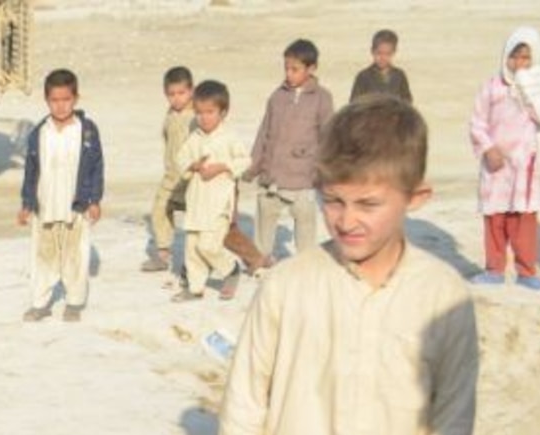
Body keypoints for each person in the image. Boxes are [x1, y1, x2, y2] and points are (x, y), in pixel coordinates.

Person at [215, 97, 479, 435]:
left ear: (416, 197)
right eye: (333, 200)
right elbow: (245, 403)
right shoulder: (287, 286)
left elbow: (453, 421)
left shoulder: (444, 299)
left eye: (368, 204)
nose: (346, 220)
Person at [467, 26, 540, 288]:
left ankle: (527, 271)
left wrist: (528, 88)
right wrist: (488, 149)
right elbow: (477, 122)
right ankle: (494, 269)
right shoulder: (492, 87)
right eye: (514, 57)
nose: (519, 63)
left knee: (523, 220)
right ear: (505, 56)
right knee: (495, 218)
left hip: (524, 164)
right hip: (496, 164)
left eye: (525, 58)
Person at [18, 67, 105, 323]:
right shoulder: (39, 133)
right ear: (47, 100)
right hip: (45, 207)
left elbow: (97, 166)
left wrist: (95, 200)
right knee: (43, 257)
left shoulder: (86, 131)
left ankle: (74, 303)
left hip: (74, 208)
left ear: (75, 98)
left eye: (66, 99)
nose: (60, 106)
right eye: (55, 100)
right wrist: (26, 203)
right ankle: (40, 303)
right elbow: (31, 170)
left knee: (75, 256)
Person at [246, 38, 333, 264]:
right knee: (265, 219)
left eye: (295, 69)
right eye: (286, 68)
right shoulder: (277, 96)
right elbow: (263, 133)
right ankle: (260, 259)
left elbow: (328, 137)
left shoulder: (322, 99)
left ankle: (306, 263)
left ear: (311, 68)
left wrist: (327, 172)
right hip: (272, 175)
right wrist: (253, 166)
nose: (289, 74)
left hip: (304, 177)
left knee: (305, 225)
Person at [172, 79, 251, 303]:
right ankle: (195, 289)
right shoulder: (195, 137)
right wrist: (193, 166)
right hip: (197, 201)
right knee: (193, 247)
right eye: (199, 112)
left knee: (209, 245)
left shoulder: (229, 137)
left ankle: (230, 269)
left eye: (210, 112)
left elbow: (245, 160)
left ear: (223, 112)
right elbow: (181, 159)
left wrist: (223, 167)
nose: (204, 117)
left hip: (218, 203)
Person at [143, 65, 196, 275]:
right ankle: (163, 254)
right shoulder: (170, 113)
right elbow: (167, 138)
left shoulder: (196, 115)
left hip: (191, 177)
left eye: (181, 93)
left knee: (194, 221)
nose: (176, 98)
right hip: (171, 175)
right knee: (159, 210)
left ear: (191, 91)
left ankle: (193, 264)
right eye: (171, 94)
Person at [350, 29, 414, 105]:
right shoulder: (363, 77)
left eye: (387, 54)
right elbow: (354, 104)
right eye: (379, 53)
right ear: (372, 51)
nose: (383, 58)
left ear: (394, 52)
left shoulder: (399, 76)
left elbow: (407, 102)